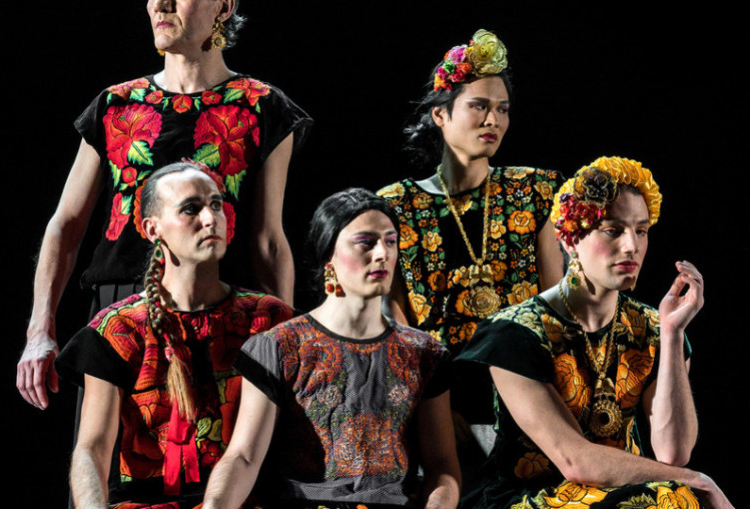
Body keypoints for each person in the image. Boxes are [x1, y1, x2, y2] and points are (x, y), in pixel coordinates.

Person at [18, 0, 311, 410]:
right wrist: (39, 330)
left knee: (218, 462)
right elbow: (66, 225)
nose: (161, 4)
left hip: (225, 313)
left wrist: (285, 342)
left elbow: (267, 241)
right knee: (111, 461)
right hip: (121, 312)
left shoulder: (262, 106)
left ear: (224, 7)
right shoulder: (115, 105)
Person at [454, 156, 733, 508]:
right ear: (569, 239)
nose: (632, 246)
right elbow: (575, 460)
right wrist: (697, 480)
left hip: (626, 492)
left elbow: (673, 452)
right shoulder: (513, 333)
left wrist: (673, 335)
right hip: (533, 496)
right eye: (613, 230)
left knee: (675, 500)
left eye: (641, 230)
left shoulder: (651, 327)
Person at [201, 188, 461, 509]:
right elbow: (243, 456)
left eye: (390, 242)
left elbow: (442, 466)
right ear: (329, 257)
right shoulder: (278, 348)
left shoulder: (423, 353)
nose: (382, 253)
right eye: (365, 242)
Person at [54, 163, 293, 508]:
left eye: (216, 204)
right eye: (191, 209)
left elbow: (249, 453)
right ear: (153, 229)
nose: (211, 219)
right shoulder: (118, 327)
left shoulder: (267, 319)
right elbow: (92, 448)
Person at [377, 28, 564, 356]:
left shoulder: (536, 190)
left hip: (522, 374)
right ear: (440, 114)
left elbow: (555, 297)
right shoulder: (393, 205)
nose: (493, 120)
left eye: (503, 109)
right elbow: (390, 307)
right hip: (432, 380)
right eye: (479, 106)